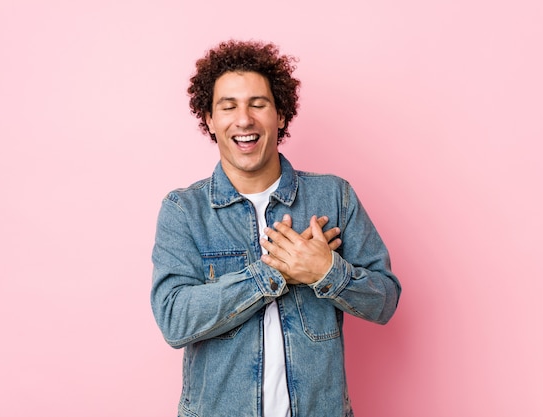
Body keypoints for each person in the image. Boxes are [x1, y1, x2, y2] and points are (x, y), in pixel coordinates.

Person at [151, 39, 401, 417]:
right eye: (228, 106)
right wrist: (276, 272)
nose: (244, 119)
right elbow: (174, 320)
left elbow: (385, 301)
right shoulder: (184, 210)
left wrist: (325, 272)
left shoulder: (334, 197)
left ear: (281, 115)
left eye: (258, 104)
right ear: (209, 119)